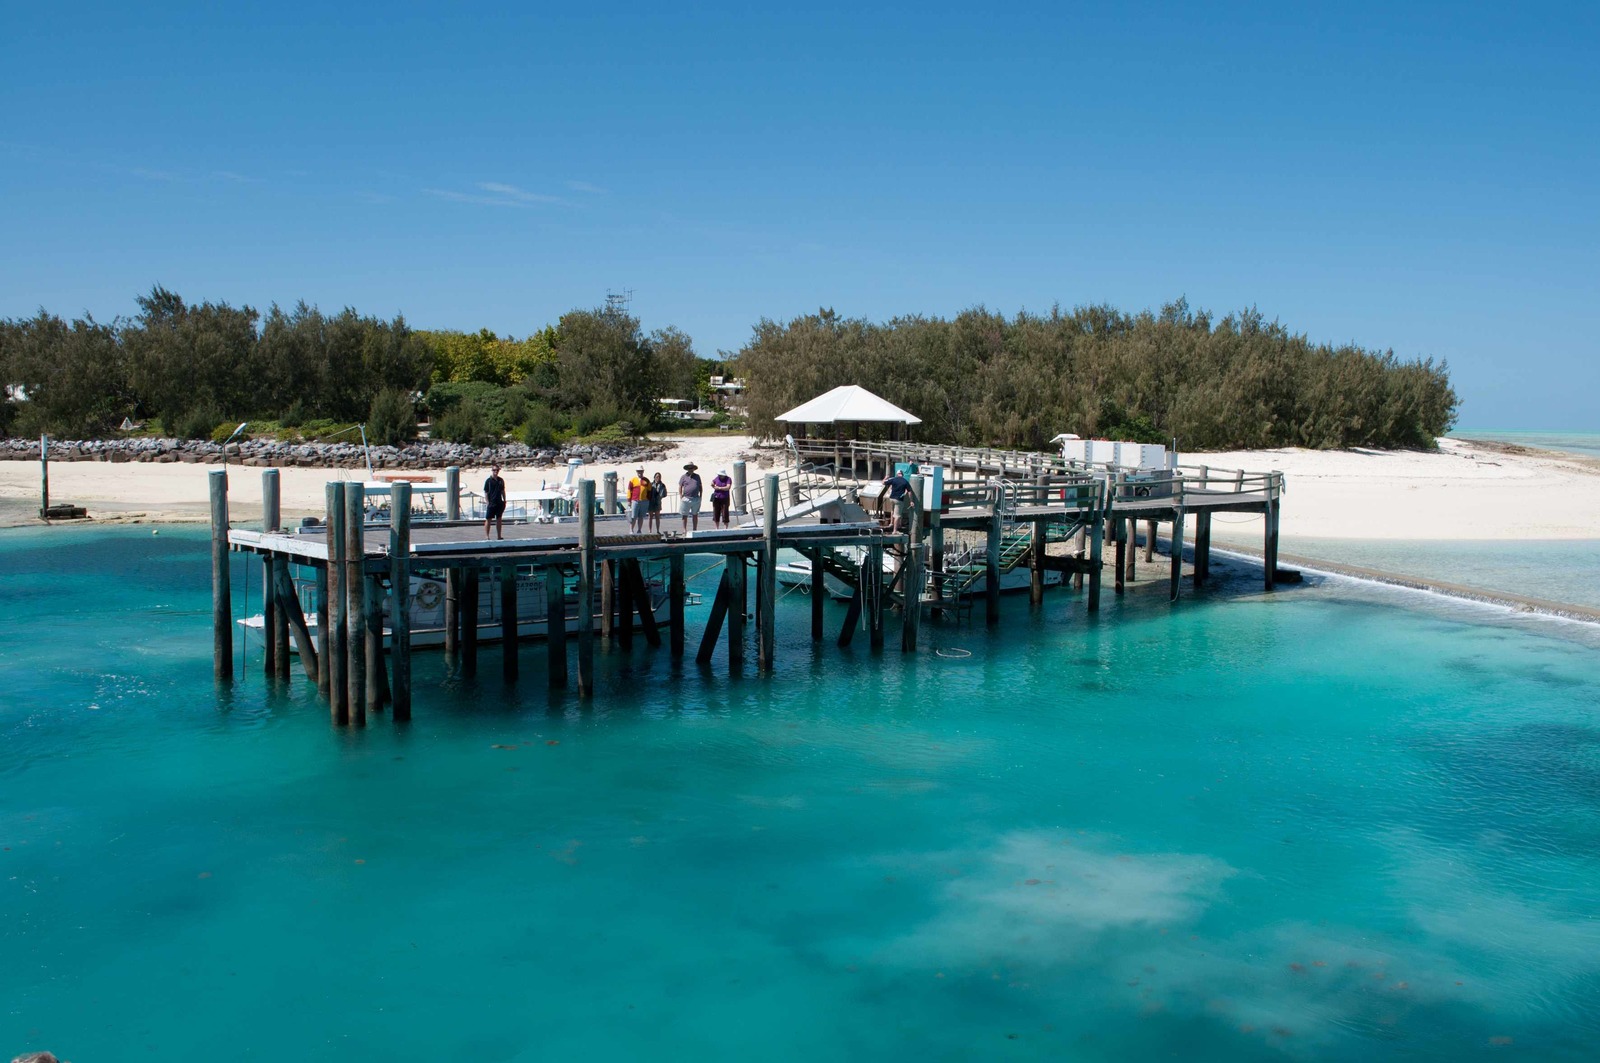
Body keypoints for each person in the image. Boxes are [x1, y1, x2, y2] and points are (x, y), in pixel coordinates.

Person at [877, 466, 917, 533]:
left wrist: (886, 478)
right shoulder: (905, 481)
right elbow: (910, 492)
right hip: (898, 500)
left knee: (893, 511)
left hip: (891, 499)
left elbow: (883, 482)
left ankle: (891, 524)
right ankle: (895, 530)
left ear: (897, 474)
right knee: (897, 516)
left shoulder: (894, 479)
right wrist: (911, 501)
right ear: (902, 474)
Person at [483, 463, 507, 540]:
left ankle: (499, 536)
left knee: (499, 519)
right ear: (492, 471)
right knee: (488, 519)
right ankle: (487, 536)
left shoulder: (501, 480)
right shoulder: (488, 481)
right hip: (491, 503)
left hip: (499, 502)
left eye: (497, 470)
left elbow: (503, 491)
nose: (495, 472)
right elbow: (486, 492)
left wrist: (504, 500)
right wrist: (487, 502)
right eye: (494, 470)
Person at [678, 462, 703, 532]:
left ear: (693, 469)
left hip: (696, 498)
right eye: (689, 468)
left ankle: (694, 529)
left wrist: (701, 496)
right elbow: (680, 486)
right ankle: (684, 529)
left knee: (695, 514)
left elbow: (700, 486)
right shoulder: (683, 476)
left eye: (691, 468)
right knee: (684, 514)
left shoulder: (697, 476)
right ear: (687, 469)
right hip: (686, 498)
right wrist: (681, 495)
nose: (690, 469)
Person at [626, 466, 651, 533]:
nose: (640, 472)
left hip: (644, 501)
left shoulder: (646, 480)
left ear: (643, 472)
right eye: (638, 471)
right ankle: (631, 529)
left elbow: (649, 490)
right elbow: (629, 490)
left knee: (641, 516)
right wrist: (629, 500)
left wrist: (648, 499)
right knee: (633, 516)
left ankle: (639, 530)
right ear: (637, 472)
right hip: (635, 500)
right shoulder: (633, 480)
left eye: (641, 471)